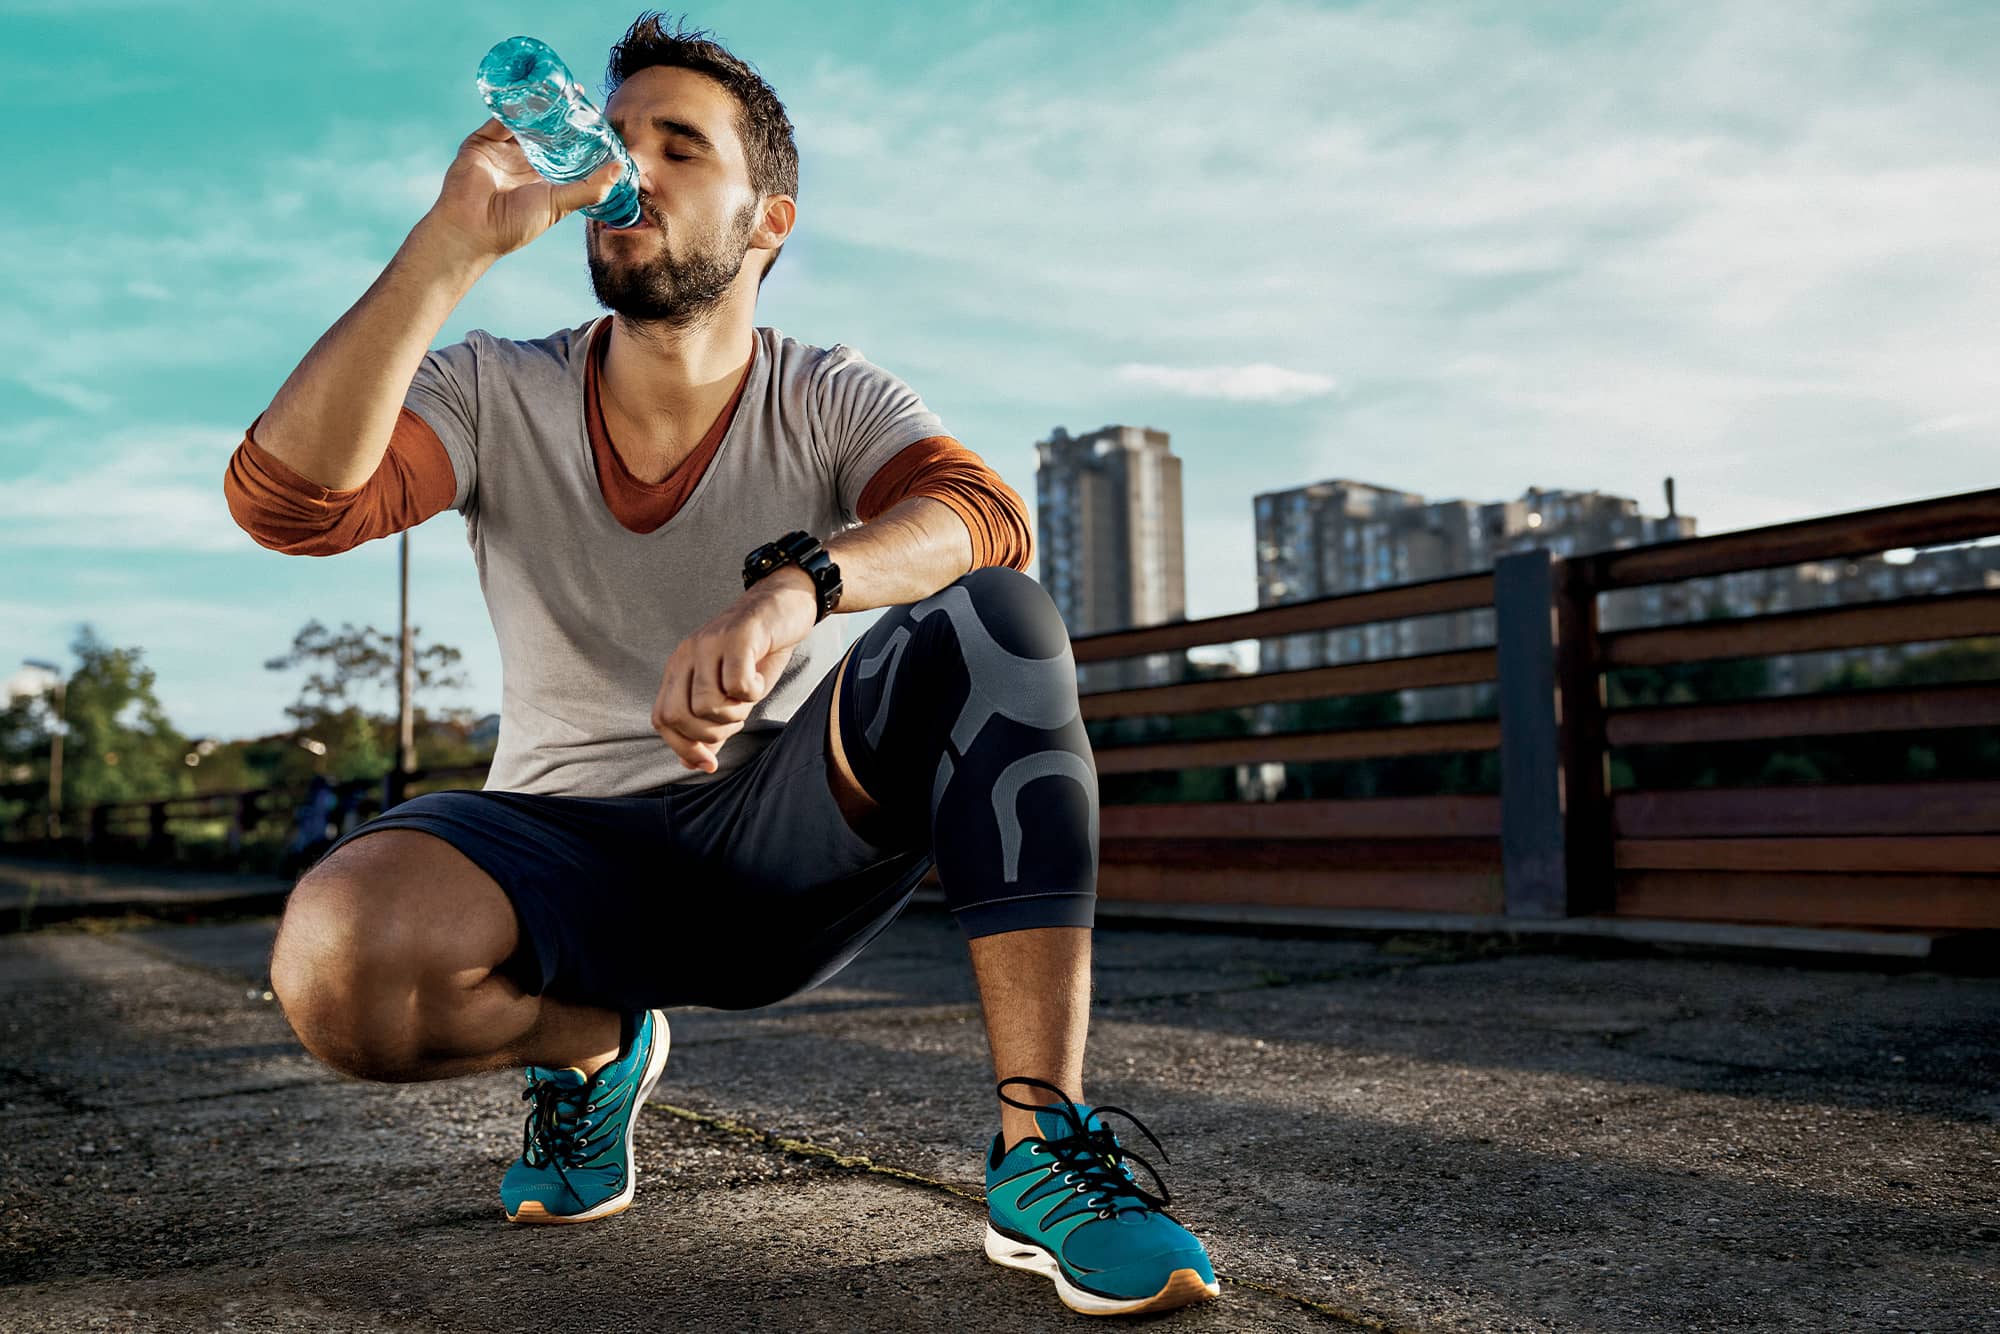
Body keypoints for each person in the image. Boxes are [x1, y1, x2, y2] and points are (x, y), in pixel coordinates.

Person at [222, 12, 1216, 1318]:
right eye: (614, 136)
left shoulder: (824, 391)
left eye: (677, 145)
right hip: (555, 848)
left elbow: (982, 517)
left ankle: (1042, 1147)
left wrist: (798, 590)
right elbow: (284, 504)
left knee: (1001, 619)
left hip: (778, 837)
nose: (625, 166)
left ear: (769, 220)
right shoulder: (491, 390)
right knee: (336, 963)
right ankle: (593, 1043)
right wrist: (449, 246)